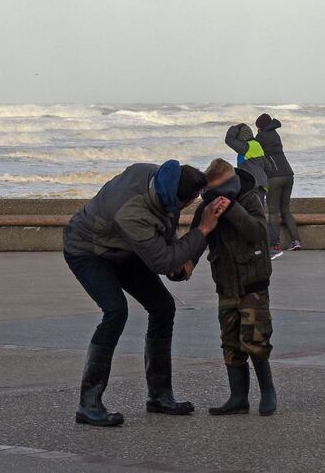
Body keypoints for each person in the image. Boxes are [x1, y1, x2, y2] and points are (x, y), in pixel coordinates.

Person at [63, 160, 229, 427]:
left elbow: (165, 236)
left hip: (124, 248)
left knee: (163, 307)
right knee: (115, 311)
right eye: (189, 202)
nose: (188, 206)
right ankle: (88, 404)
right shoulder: (131, 213)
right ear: (178, 199)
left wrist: (181, 254)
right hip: (87, 251)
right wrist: (203, 230)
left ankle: (160, 396)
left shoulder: (160, 178)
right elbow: (161, 262)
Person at [191, 159, 277, 416]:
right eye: (211, 191)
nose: (215, 196)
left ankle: (268, 392)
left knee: (256, 339)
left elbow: (258, 233)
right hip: (226, 283)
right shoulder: (207, 205)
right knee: (230, 341)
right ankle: (238, 397)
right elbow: (198, 236)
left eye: (220, 190)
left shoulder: (250, 199)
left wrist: (232, 209)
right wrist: (186, 264)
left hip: (253, 283)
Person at [255, 113, 301, 254]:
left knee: (273, 211)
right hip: (288, 174)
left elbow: (257, 155)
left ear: (260, 126)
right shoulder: (275, 134)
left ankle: (274, 243)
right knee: (285, 210)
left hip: (274, 176)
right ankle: (296, 241)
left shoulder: (260, 137)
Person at [225, 123, 270, 204]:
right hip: (262, 184)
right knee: (259, 211)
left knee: (251, 212)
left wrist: (234, 128)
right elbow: (268, 167)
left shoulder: (245, 147)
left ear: (241, 136)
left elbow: (229, 140)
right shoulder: (257, 145)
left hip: (252, 185)